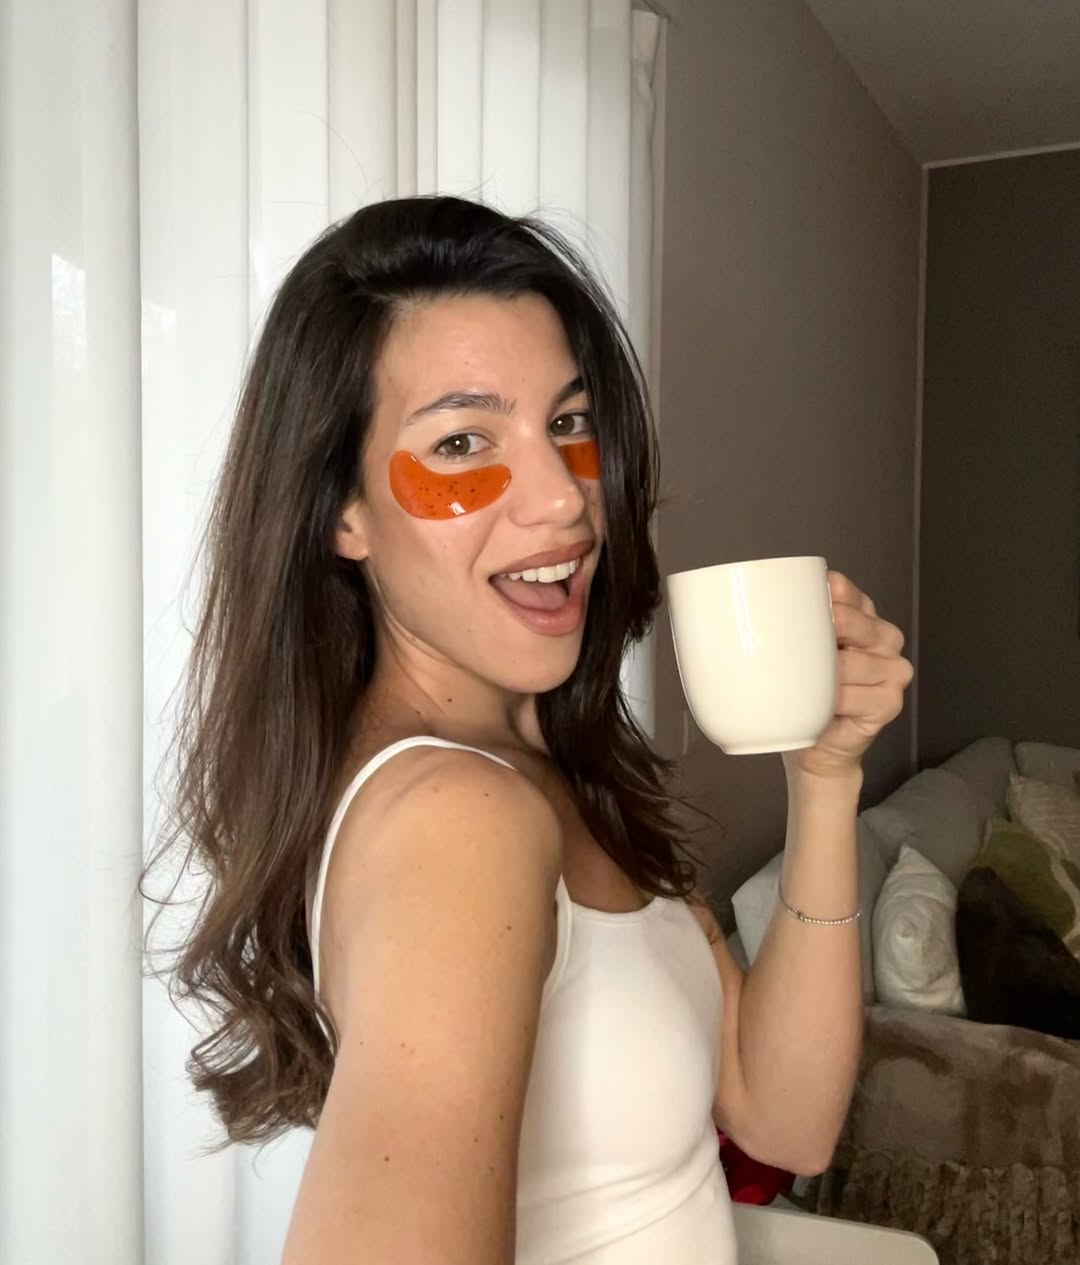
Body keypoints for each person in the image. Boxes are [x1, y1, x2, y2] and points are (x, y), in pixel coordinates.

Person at [147, 195, 913, 1264]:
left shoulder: (552, 763)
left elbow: (780, 1115)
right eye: (462, 440)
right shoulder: (460, 819)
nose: (562, 499)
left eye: (567, 423)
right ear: (342, 511)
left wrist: (825, 778)